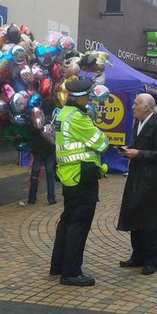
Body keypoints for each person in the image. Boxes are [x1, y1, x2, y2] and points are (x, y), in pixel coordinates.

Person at [50, 79, 109, 287]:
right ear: (82, 97)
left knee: (67, 221)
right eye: (89, 96)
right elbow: (101, 144)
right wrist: (100, 134)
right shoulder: (79, 118)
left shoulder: (62, 113)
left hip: (68, 175)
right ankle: (71, 272)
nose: (90, 99)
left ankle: (58, 265)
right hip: (82, 176)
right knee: (78, 225)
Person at [117, 93, 157, 276]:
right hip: (136, 176)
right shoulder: (137, 122)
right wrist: (128, 150)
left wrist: (138, 153)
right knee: (135, 215)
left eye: (136, 104)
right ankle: (137, 255)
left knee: (150, 221)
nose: (133, 106)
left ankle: (151, 260)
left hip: (151, 179)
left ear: (146, 107)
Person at [27, 101, 57, 205]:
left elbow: (30, 131)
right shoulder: (54, 120)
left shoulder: (37, 118)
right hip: (50, 150)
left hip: (37, 149)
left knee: (35, 172)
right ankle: (51, 197)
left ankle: (32, 197)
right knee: (50, 173)